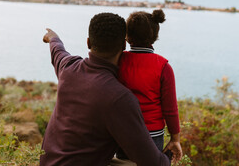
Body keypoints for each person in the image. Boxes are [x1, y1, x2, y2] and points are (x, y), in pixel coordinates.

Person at [40, 13, 171, 166]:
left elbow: (58, 51)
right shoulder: (119, 98)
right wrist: (169, 154)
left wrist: (53, 38)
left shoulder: (68, 68)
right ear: (123, 46)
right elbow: (152, 162)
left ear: (88, 42)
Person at [116, 9, 182, 163]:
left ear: (127, 36)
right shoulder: (163, 66)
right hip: (152, 135)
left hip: (122, 131)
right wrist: (175, 139)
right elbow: (170, 109)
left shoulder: (119, 61)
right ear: (155, 36)